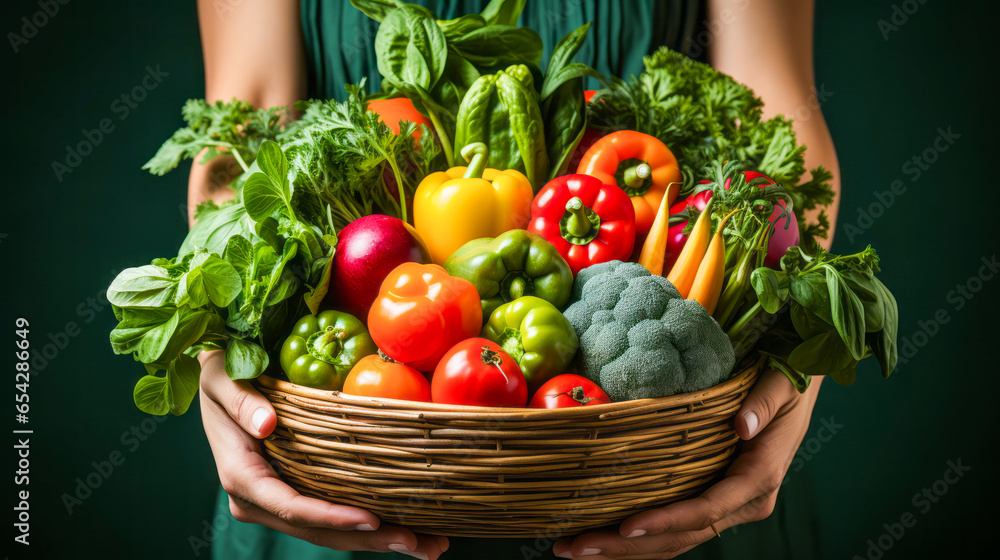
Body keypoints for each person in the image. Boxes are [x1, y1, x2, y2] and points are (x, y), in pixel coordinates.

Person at [190, 1, 841, 559]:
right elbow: (241, 125)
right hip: (337, 464)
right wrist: (218, 343)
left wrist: (796, 351)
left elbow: (776, 116)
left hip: (676, 465)